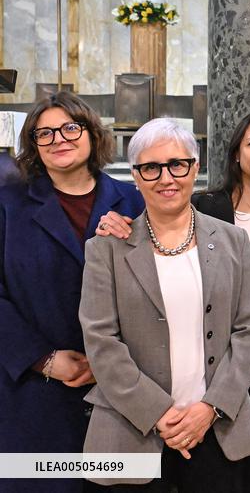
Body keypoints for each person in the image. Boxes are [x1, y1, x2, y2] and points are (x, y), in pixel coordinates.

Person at [97, 112, 250, 492]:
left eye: (177, 165)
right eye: (151, 168)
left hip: (215, 423)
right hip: (131, 426)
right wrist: (158, 412)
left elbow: (248, 327)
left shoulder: (233, 239)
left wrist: (209, 408)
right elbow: (101, 342)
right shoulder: (107, 248)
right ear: (136, 175)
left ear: (195, 168)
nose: (166, 177)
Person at [0, 92, 143, 493]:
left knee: (121, 484)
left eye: (69, 127)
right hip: (32, 392)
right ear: (33, 145)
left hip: (120, 391)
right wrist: (42, 359)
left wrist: (111, 362)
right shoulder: (8, 203)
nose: (58, 139)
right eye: (44, 134)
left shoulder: (133, 200)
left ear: (91, 133)